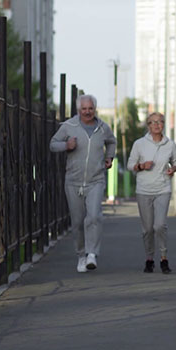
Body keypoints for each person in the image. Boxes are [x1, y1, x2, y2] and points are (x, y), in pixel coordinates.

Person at [50, 94, 116, 272]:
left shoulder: (103, 127)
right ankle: (81, 255)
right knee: (78, 222)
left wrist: (110, 157)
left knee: (94, 216)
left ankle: (92, 253)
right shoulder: (68, 126)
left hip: (96, 180)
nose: (87, 112)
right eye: (84, 109)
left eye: (90, 109)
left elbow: (112, 141)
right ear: (79, 110)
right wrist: (66, 146)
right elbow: (53, 144)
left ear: (95, 109)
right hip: (73, 181)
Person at [126, 112, 176, 274]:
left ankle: (164, 258)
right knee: (148, 229)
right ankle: (149, 259)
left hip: (163, 189)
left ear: (164, 125)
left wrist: (173, 169)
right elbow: (130, 165)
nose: (157, 125)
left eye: (160, 122)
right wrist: (141, 166)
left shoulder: (170, 145)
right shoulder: (139, 144)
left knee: (159, 225)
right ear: (148, 125)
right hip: (144, 190)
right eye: (153, 122)